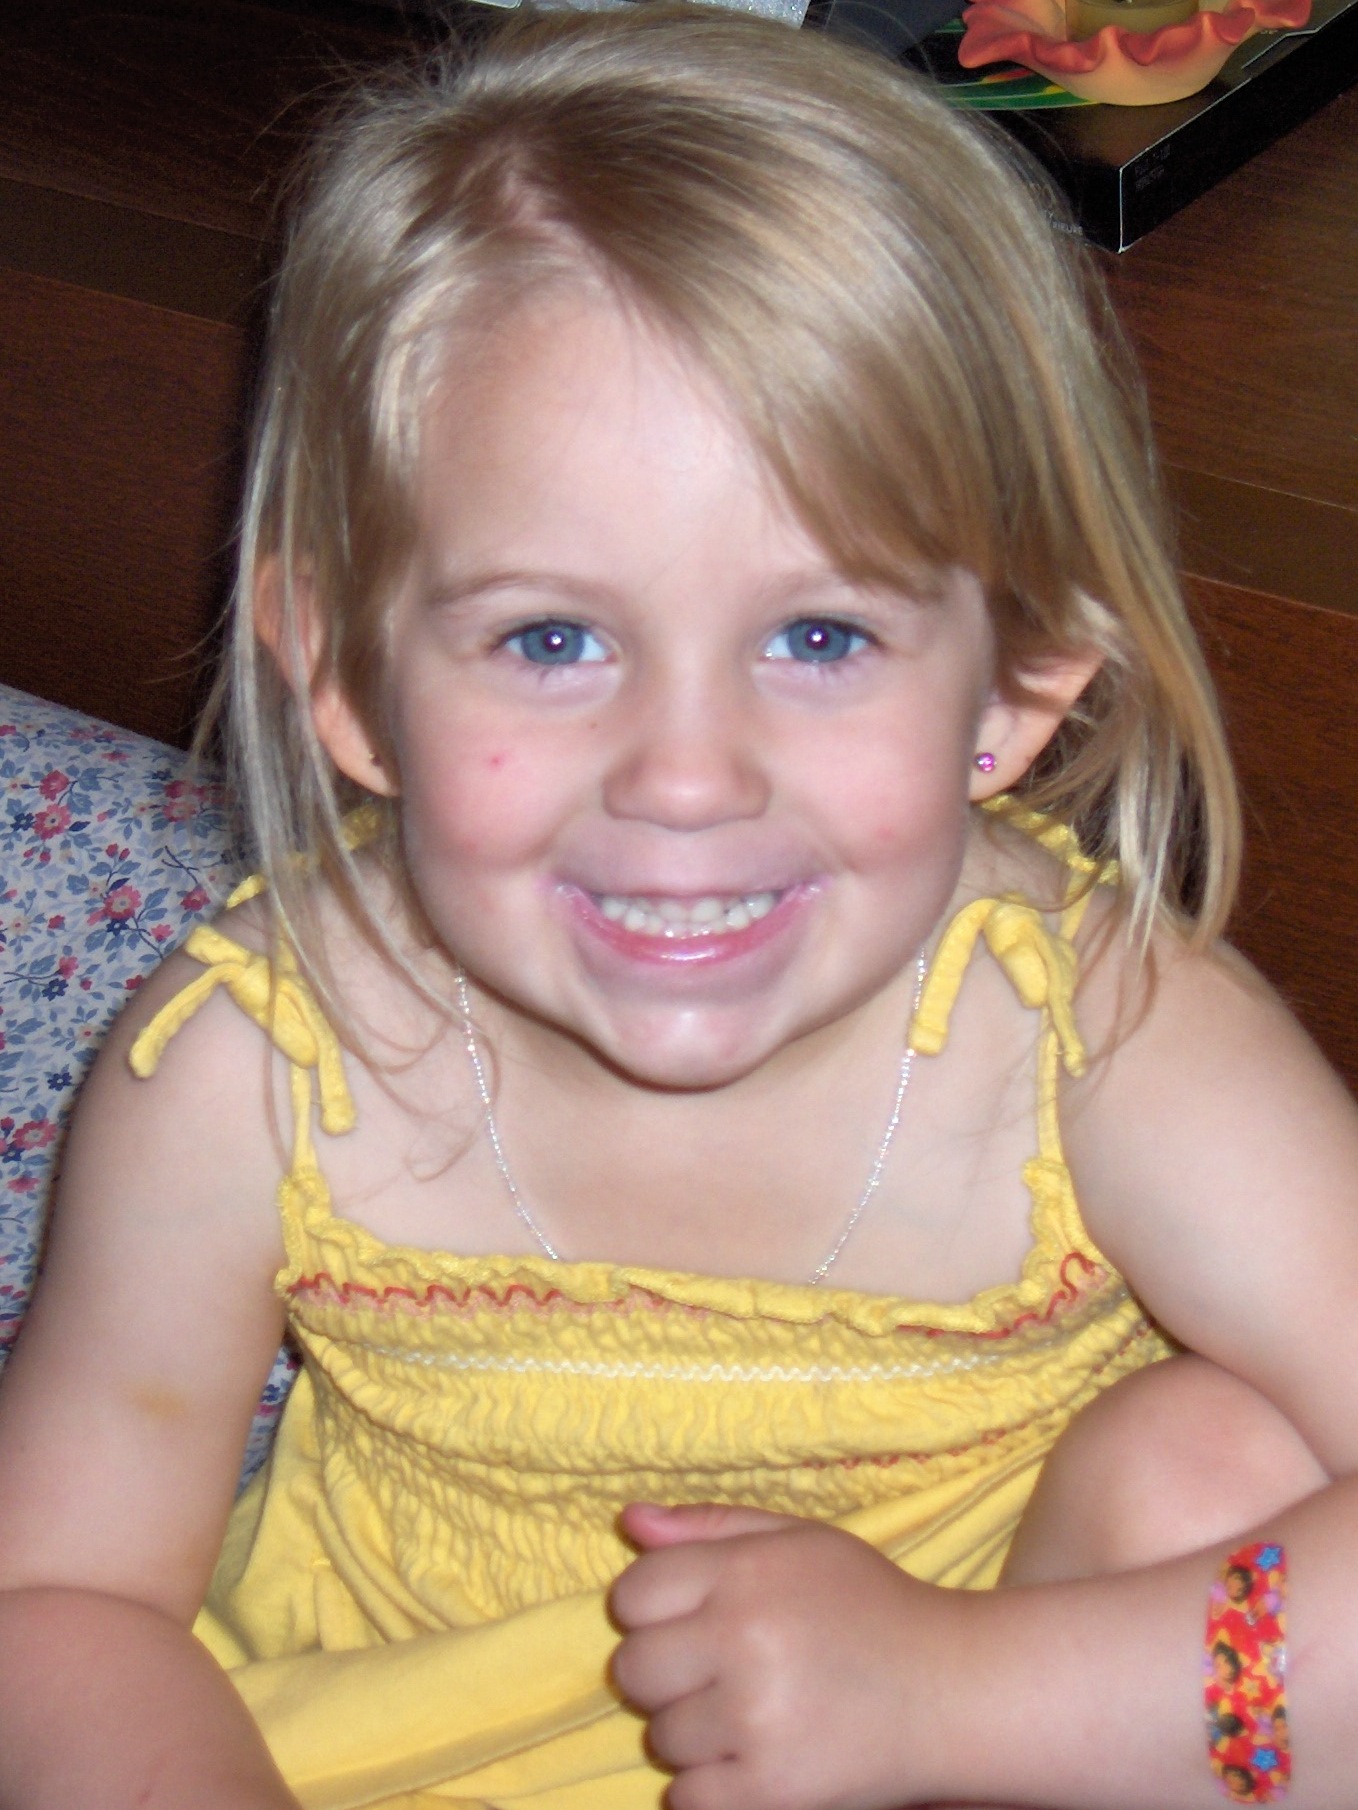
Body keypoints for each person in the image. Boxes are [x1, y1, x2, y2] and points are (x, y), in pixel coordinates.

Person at [0, 7, 1355, 1808]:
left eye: (821, 636)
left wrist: (955, 1698)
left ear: (1019, 684)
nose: (687, 776)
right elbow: (58, 1598)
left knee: (1215, 1463)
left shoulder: (1108, 1037)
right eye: (553, 639)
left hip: (990, 1735)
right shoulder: (249, 1069)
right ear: (342, 677)